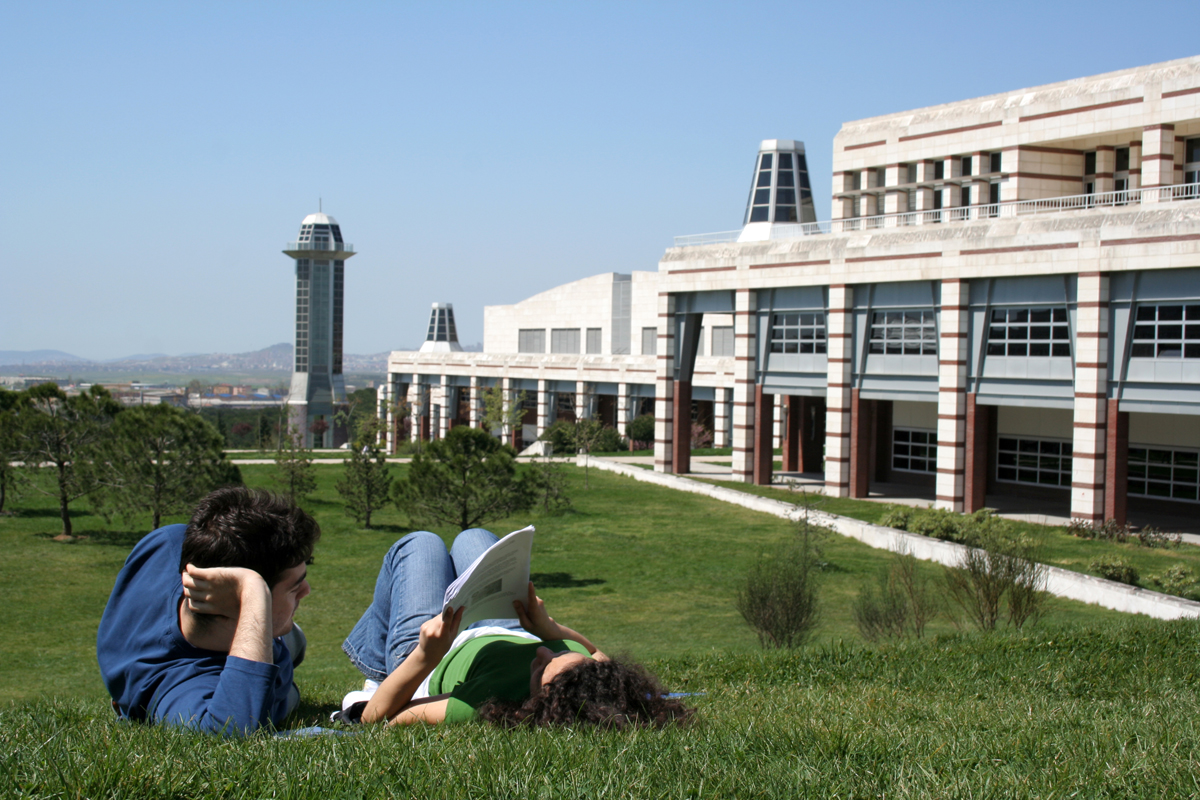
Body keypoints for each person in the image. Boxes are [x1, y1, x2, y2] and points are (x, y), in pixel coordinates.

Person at [339, 528, 691, 728]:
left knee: (419, 544)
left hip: (435, 652)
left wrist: (423, 656)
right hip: (503, 627)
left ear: (540, 702)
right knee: (474, 536)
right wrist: (549, 627)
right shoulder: (588, 674)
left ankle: (378, 669)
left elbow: (378, 718)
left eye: (540, 668)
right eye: (559, 653)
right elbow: (598, 654)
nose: (542, 651)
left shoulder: (483, 702)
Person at [96, 487, 319, 735]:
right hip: (268, 662)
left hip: (268, 635)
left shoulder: (167, 543)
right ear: (237, 603)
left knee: (292, 638)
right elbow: (230, 731)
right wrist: (252, 589)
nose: (306, 591)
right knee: (286, 693)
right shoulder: (179, 684)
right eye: (294, 588)